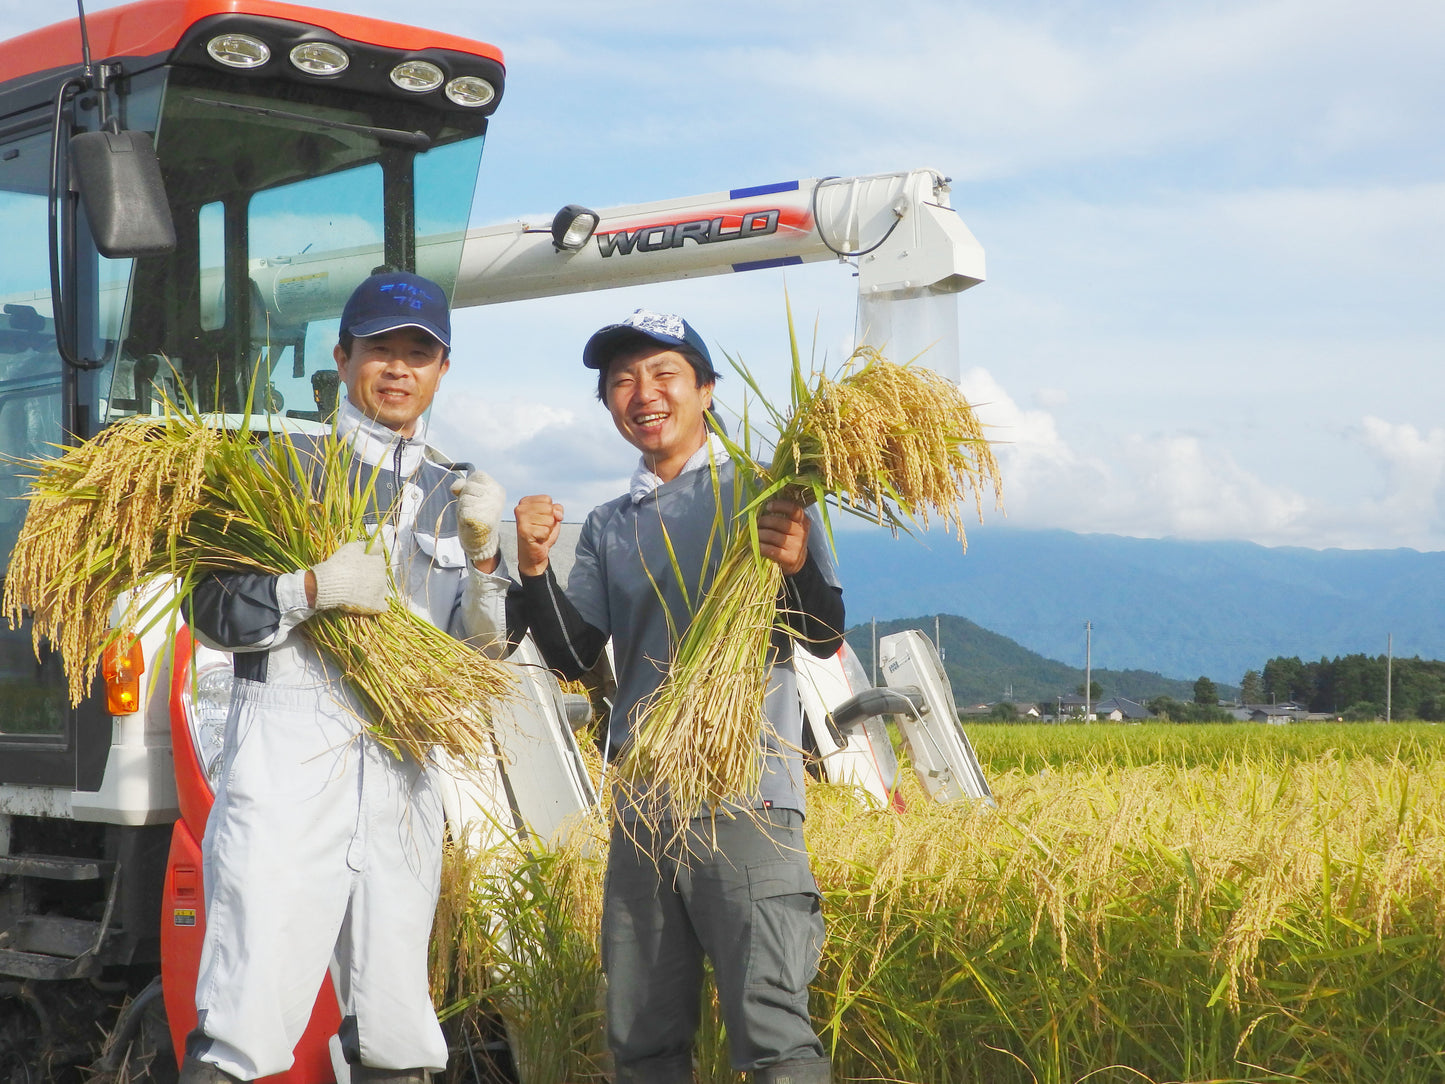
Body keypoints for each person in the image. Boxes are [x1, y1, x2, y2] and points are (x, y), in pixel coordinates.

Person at [179, 271, 510, 1084]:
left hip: (403, 773)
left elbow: (479, 655)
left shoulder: (454, 492)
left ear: (441, 370)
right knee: (245, 1017)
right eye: (379, 348)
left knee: (396, 1027)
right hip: (289, 768)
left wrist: (486, 560)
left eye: (418, 353)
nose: (398, 368)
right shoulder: (277, 467)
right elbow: (209, 609)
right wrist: (309, 590)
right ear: (342, 358)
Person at [512, 309, 843, 1084]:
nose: (643, 393)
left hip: (746, 796)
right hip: (644, 809)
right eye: (621, 381)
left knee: (772, 1031)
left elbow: (822, 633)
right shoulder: (608, 525)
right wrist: (531, 568)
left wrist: (795, 562)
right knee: (641, 1038)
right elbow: (573, 654)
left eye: (664, 374)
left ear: (706, 389)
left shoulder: (766, 492)